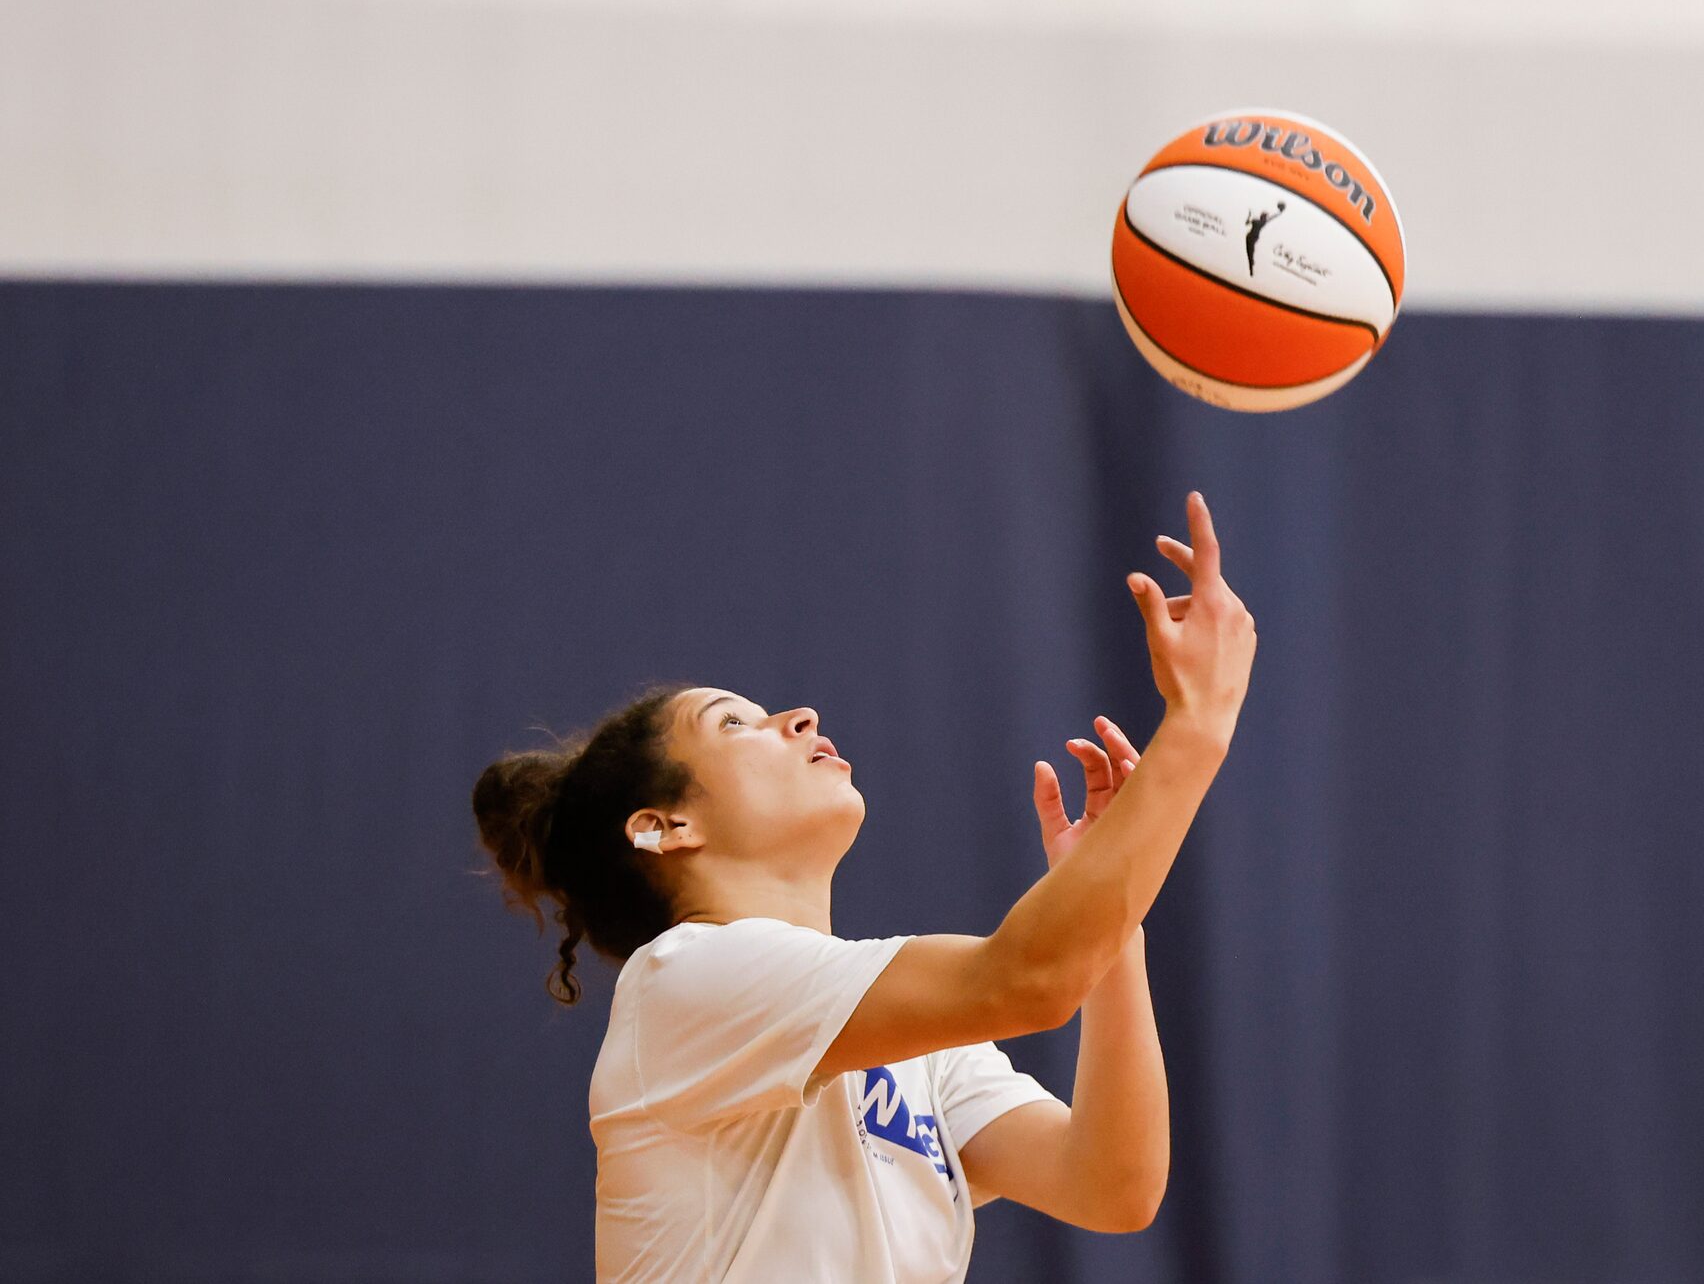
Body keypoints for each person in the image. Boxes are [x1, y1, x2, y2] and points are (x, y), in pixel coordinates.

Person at [472, 492, 1257, 1282]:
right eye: (733, 724)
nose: (799, 717)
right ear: (665, 827)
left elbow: (1109, 1186)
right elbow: (1027, 979)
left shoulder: (911, 1047)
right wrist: (1198, 719)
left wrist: (1111, 913)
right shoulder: (685, 980)